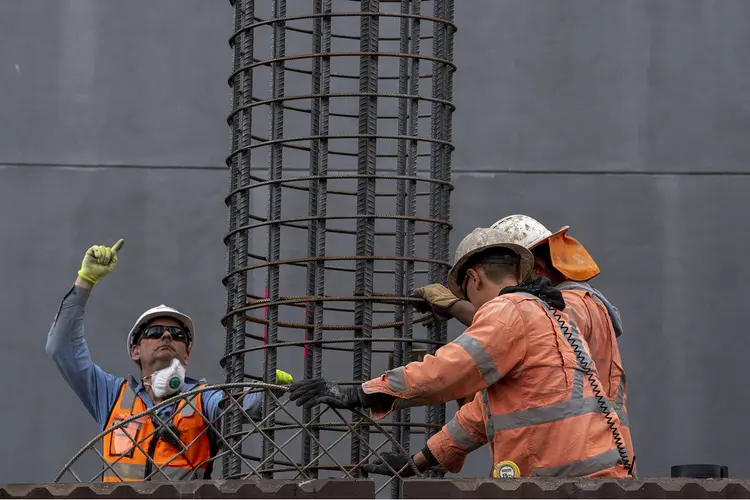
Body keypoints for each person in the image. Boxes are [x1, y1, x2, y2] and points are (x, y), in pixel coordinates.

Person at [288, 227, 631, 478]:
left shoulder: (509, 310)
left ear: (474, 277)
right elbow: (481, 415)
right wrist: (419, 461)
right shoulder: (549, 315)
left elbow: (447, 371)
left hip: (568, 483)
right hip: (596, 478)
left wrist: (358, 393)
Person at [46, 239, 294, 482]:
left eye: (177, 335)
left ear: (186, 354)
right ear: (135, 350)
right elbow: (62, 347)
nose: (166, 336)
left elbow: (240, 405)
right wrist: (86, 281)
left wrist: (268, 390)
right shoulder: (110, 396)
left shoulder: (203, 399)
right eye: (154, 333)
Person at [412, 214, 634, 467]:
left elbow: (521, 326)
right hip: (578, 464)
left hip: (574, 469)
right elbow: (485, 411)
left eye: (510, 274)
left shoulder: (571, 307)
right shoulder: (577, 307)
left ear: (536, 269)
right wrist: (425, 458)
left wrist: (456, 306)